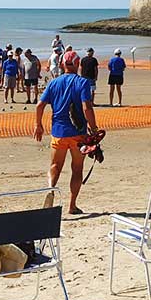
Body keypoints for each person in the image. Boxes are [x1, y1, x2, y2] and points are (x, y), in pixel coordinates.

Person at [33, 51, 98, 215]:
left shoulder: (54, 83)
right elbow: (87, 107)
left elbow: (39, 106)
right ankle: (72, 205)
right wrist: (94, 128)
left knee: (55, 166)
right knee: (77, 169)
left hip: (58, 132)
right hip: (78, 134)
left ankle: (51, 190)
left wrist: (38, 125)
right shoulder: (82, 82)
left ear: (62, 64)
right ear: (78, 65)